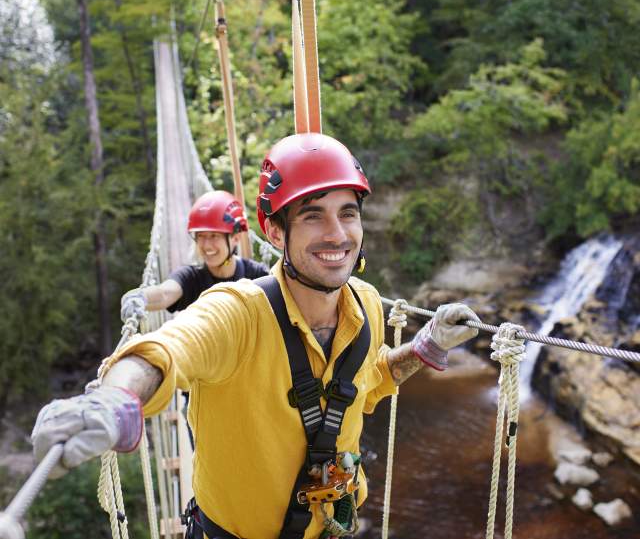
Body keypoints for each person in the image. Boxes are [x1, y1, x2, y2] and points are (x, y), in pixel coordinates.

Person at [32, 134, 481, 539]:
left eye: (348, 213)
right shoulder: (238, 310)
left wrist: (427, 347)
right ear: (275, 232)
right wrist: (115, 398)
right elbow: (167, 350)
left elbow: (371, 379)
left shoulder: (364, 303)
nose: (338, 233)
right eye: (313, 216)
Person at [120, 190, 269, 320]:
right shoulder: (191, 278)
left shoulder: (257, 276)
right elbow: (165, 293)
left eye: (214, 236)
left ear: (235, 238)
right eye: (201, 236)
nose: (206, 245)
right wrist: (141, 297)